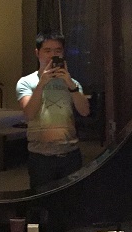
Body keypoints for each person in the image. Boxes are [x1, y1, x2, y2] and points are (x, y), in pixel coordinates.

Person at [17, 33, 91, 189]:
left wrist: (70, 83)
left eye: (57, 51)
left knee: (71, 202)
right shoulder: (26, 82)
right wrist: (42, 83)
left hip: (70, 153)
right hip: (40, 156)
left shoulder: (73, 83)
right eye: (47, 50)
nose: (52, 55)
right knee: (41, 204)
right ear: (37, 53)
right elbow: (29, 113)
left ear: (63, 53)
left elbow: (84, 111)